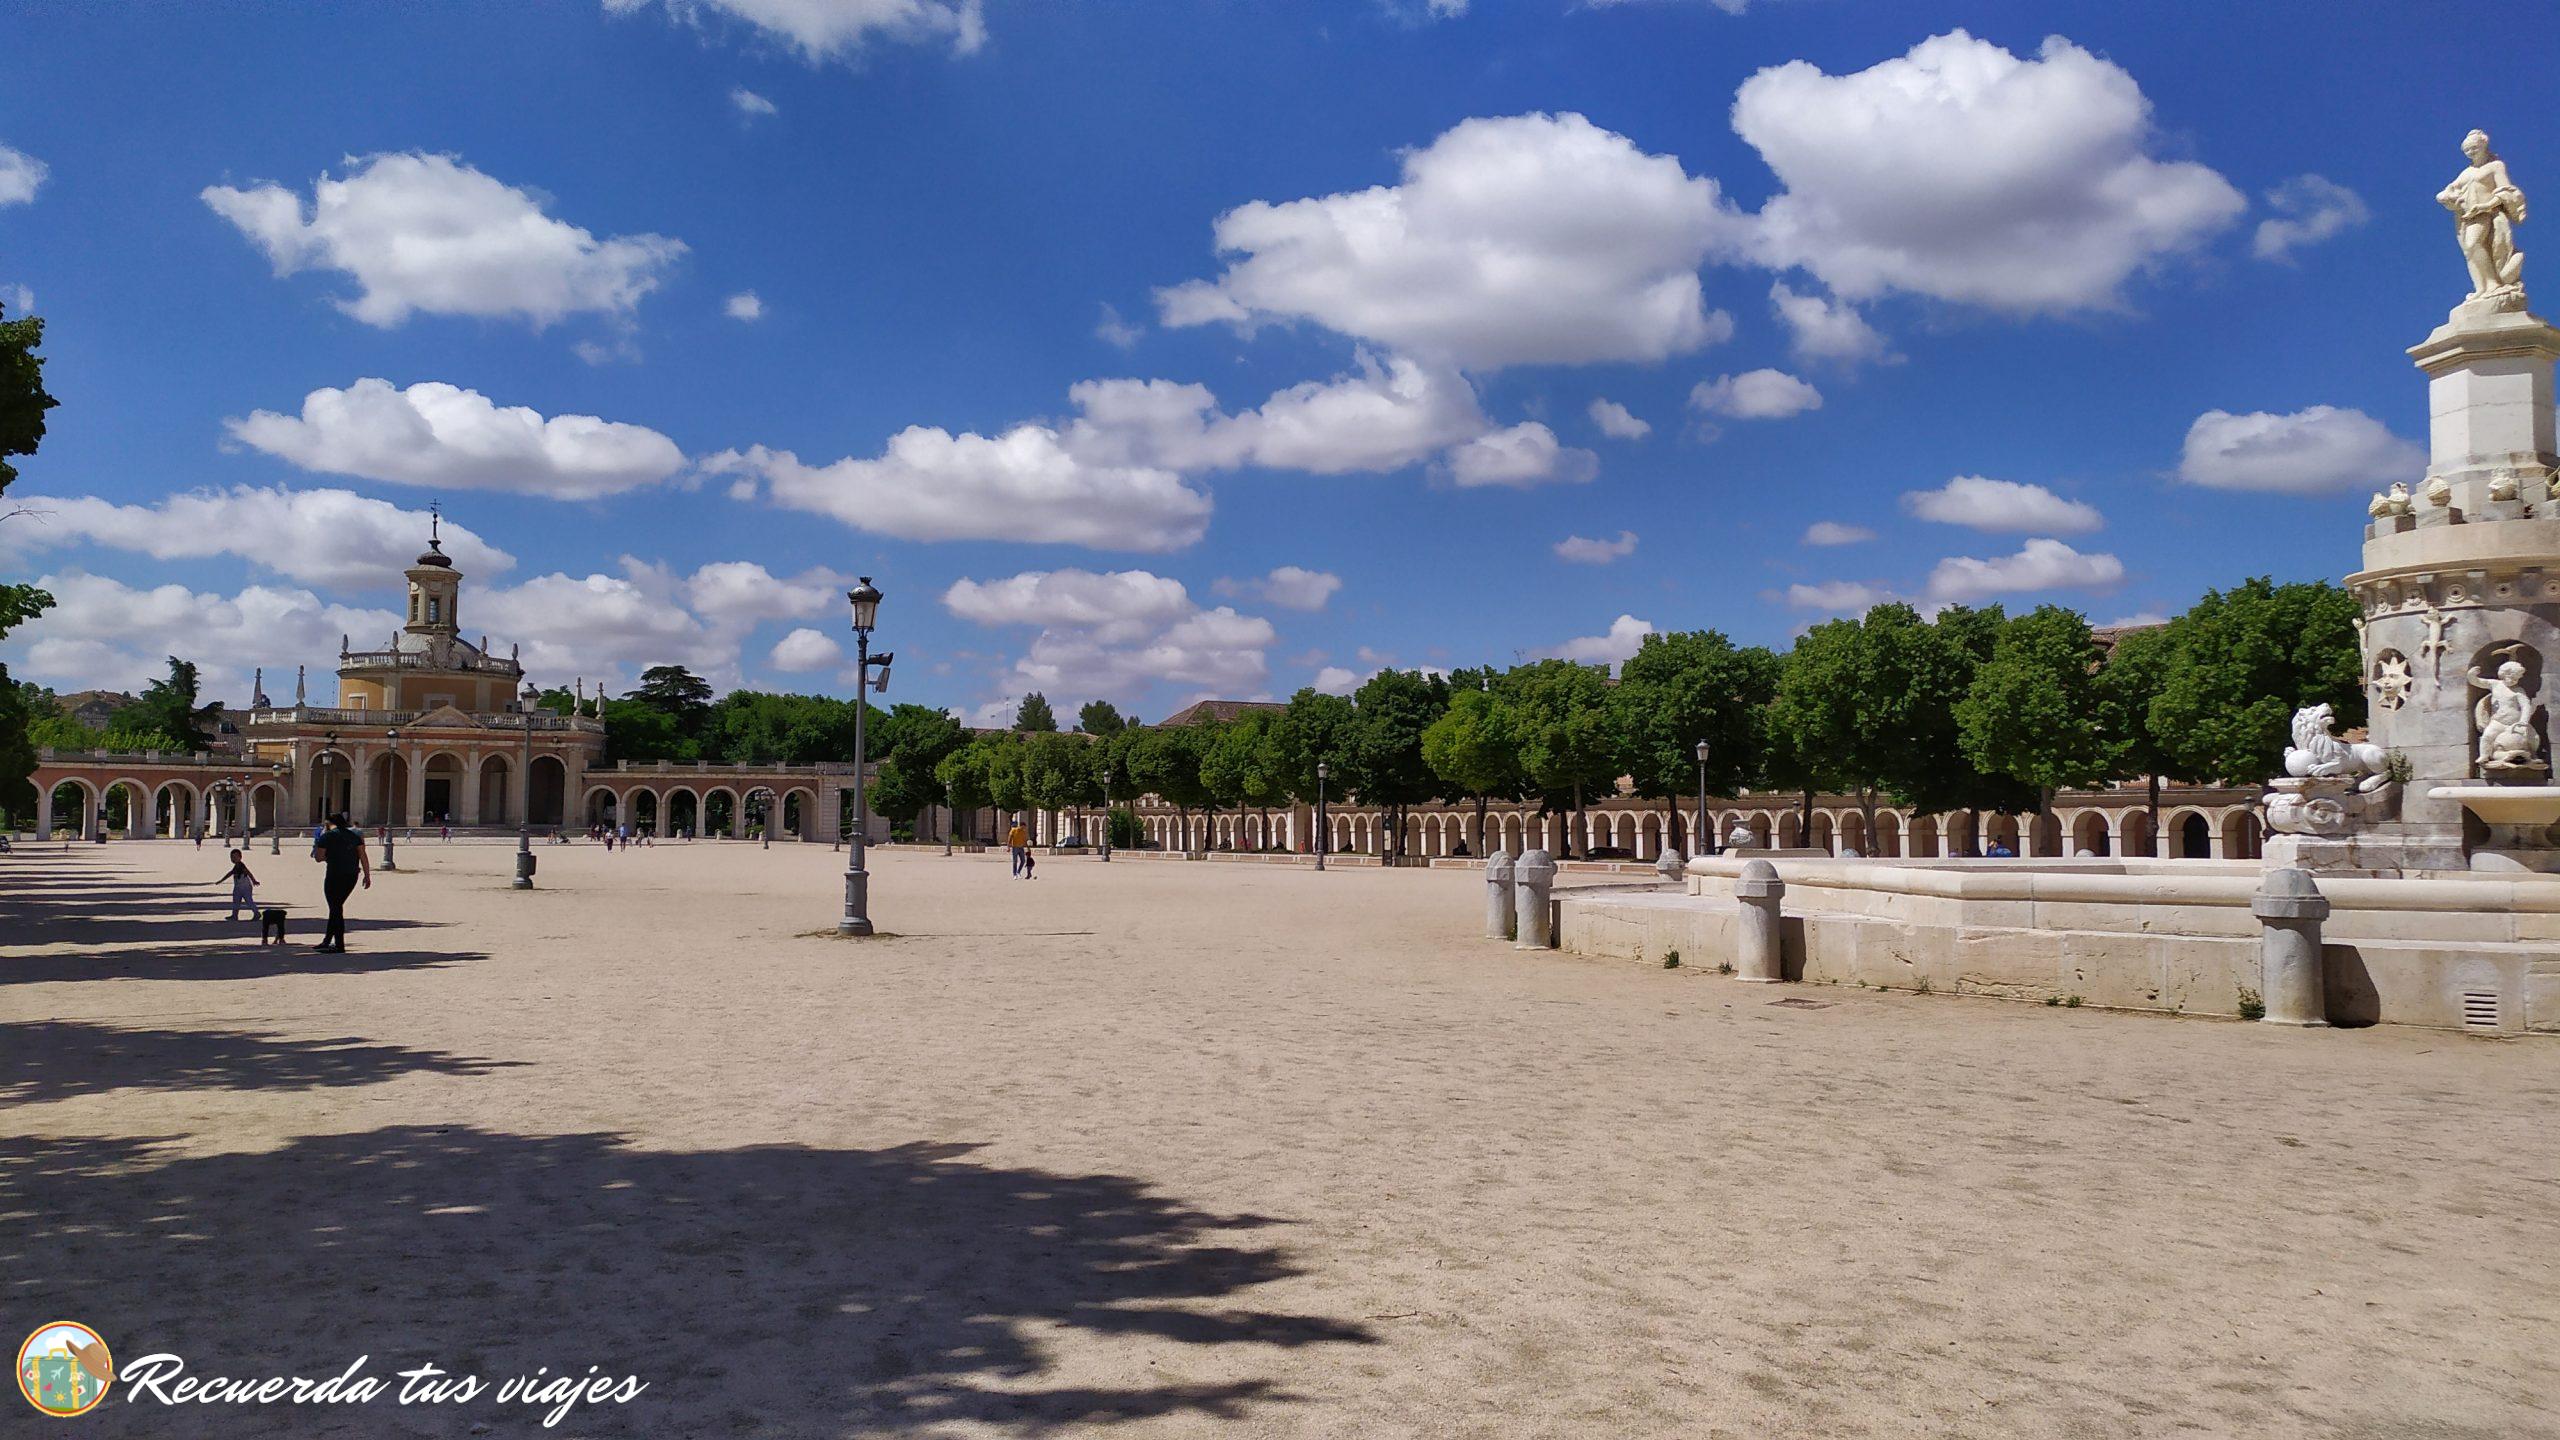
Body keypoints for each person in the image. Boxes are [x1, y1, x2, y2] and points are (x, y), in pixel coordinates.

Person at [310, 813, 371, 952]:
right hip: (351, 875)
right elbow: (363, 856)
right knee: (336, 907)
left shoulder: (327, 836)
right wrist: (367, 875)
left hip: (334, 875)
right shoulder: (354, 836)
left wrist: (330, 856)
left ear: (329, 823)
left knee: (335, 908)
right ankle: (327, 941)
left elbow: (318, 857)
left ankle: (339, 945)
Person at [211, 847, 258, 920]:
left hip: (245, 886)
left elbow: (248, 873)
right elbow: (230, 873)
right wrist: (221, 880)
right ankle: (234, 915)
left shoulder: (241, 865)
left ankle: (256, 913)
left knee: (248, 900)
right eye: (232, 857)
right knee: (236, 901)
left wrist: (254, 881)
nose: (234, 859)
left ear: (240, 857)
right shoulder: (236, 866)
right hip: (238, 886)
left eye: (236, 857)